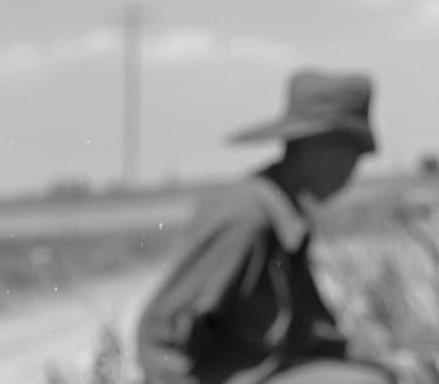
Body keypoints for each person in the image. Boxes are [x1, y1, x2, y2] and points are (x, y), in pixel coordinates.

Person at [136, 69, 393, 384]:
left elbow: (307, 332)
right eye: (353, 154)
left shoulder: (283, 217)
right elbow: (161, 330)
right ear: (320, 146)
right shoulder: (246, 215)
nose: (354, 170)